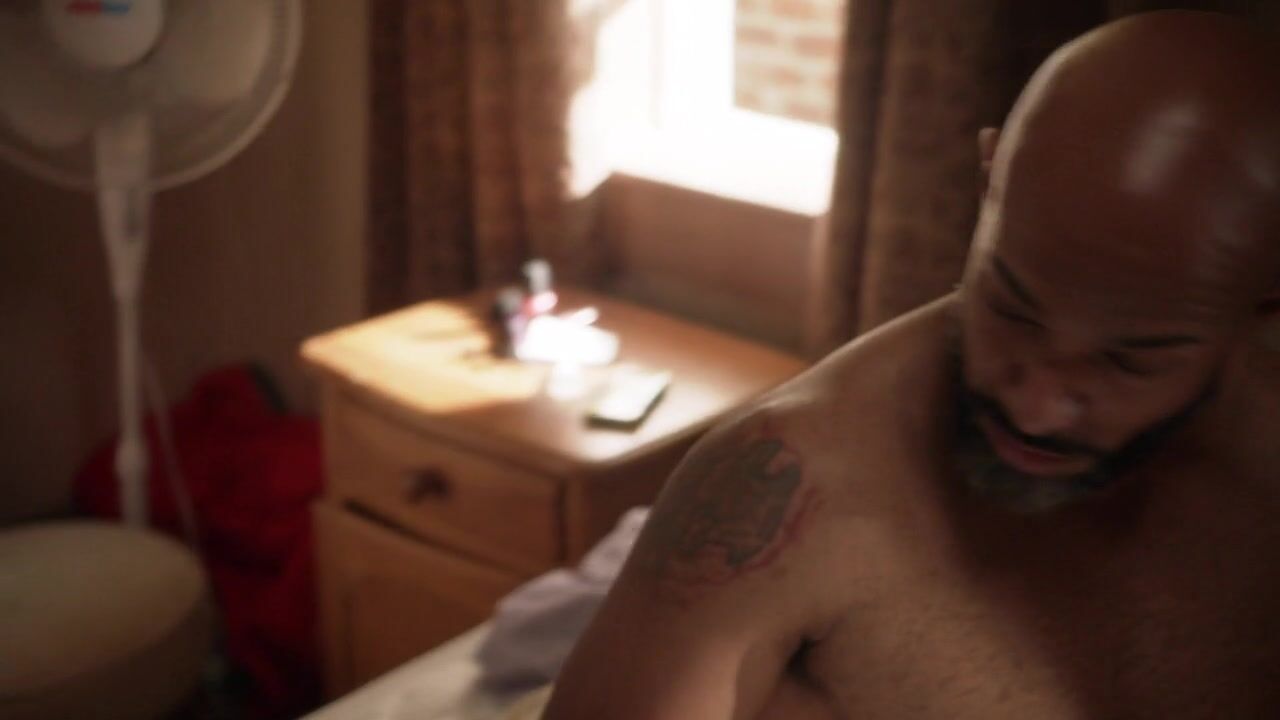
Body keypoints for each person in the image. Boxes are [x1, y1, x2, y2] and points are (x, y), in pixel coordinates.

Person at [543, 10, 1280, 719]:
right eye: (1012, 311)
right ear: (989, 179)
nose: (1035, 407)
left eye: (1126, 362)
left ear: (1265, 309)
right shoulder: (788, 488)